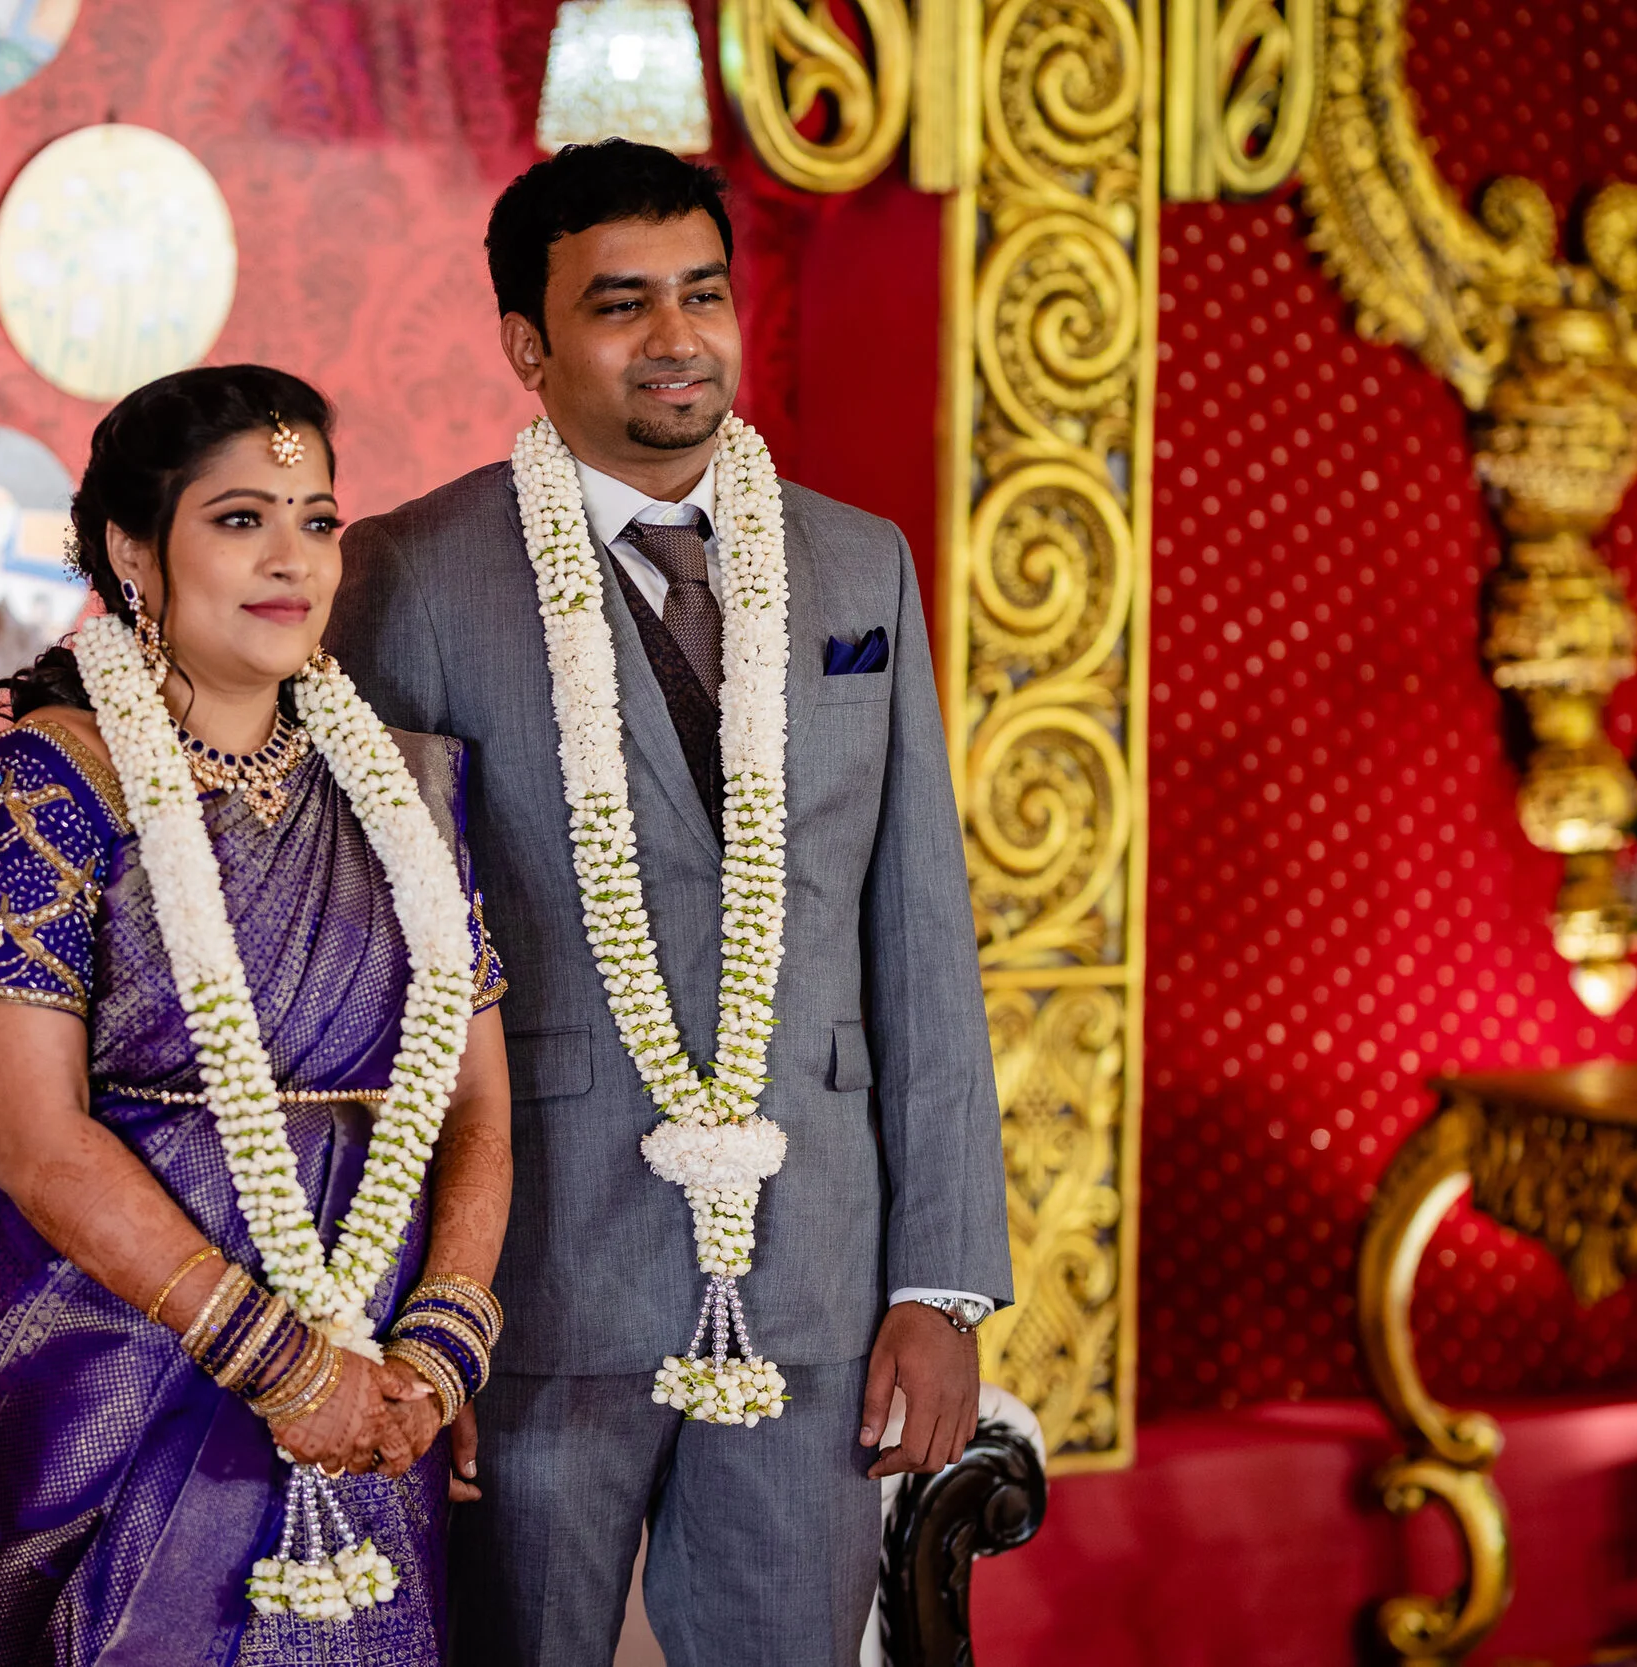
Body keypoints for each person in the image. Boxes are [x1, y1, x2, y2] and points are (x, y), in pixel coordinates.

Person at [326, 140, 1013, 1665]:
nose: (676, 337)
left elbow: (920, 934)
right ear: (529, 343)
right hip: (529, 1281)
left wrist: (942, 1281)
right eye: (621, 305)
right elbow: (373, 974)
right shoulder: (411, 576)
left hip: (817, 1268)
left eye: (702, 294)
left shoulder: (861, 568)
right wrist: (398, 1322)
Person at [0, 364, 514, 1667]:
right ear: (136, 546)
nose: (291, 558)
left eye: (317, 519)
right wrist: (274, 1358)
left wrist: (442, 1339)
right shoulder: (39, 792)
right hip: (113, 1365)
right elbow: (35, 1142)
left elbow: (477, 1096)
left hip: (370, 1364)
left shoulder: (405, 791)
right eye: (242, 518)